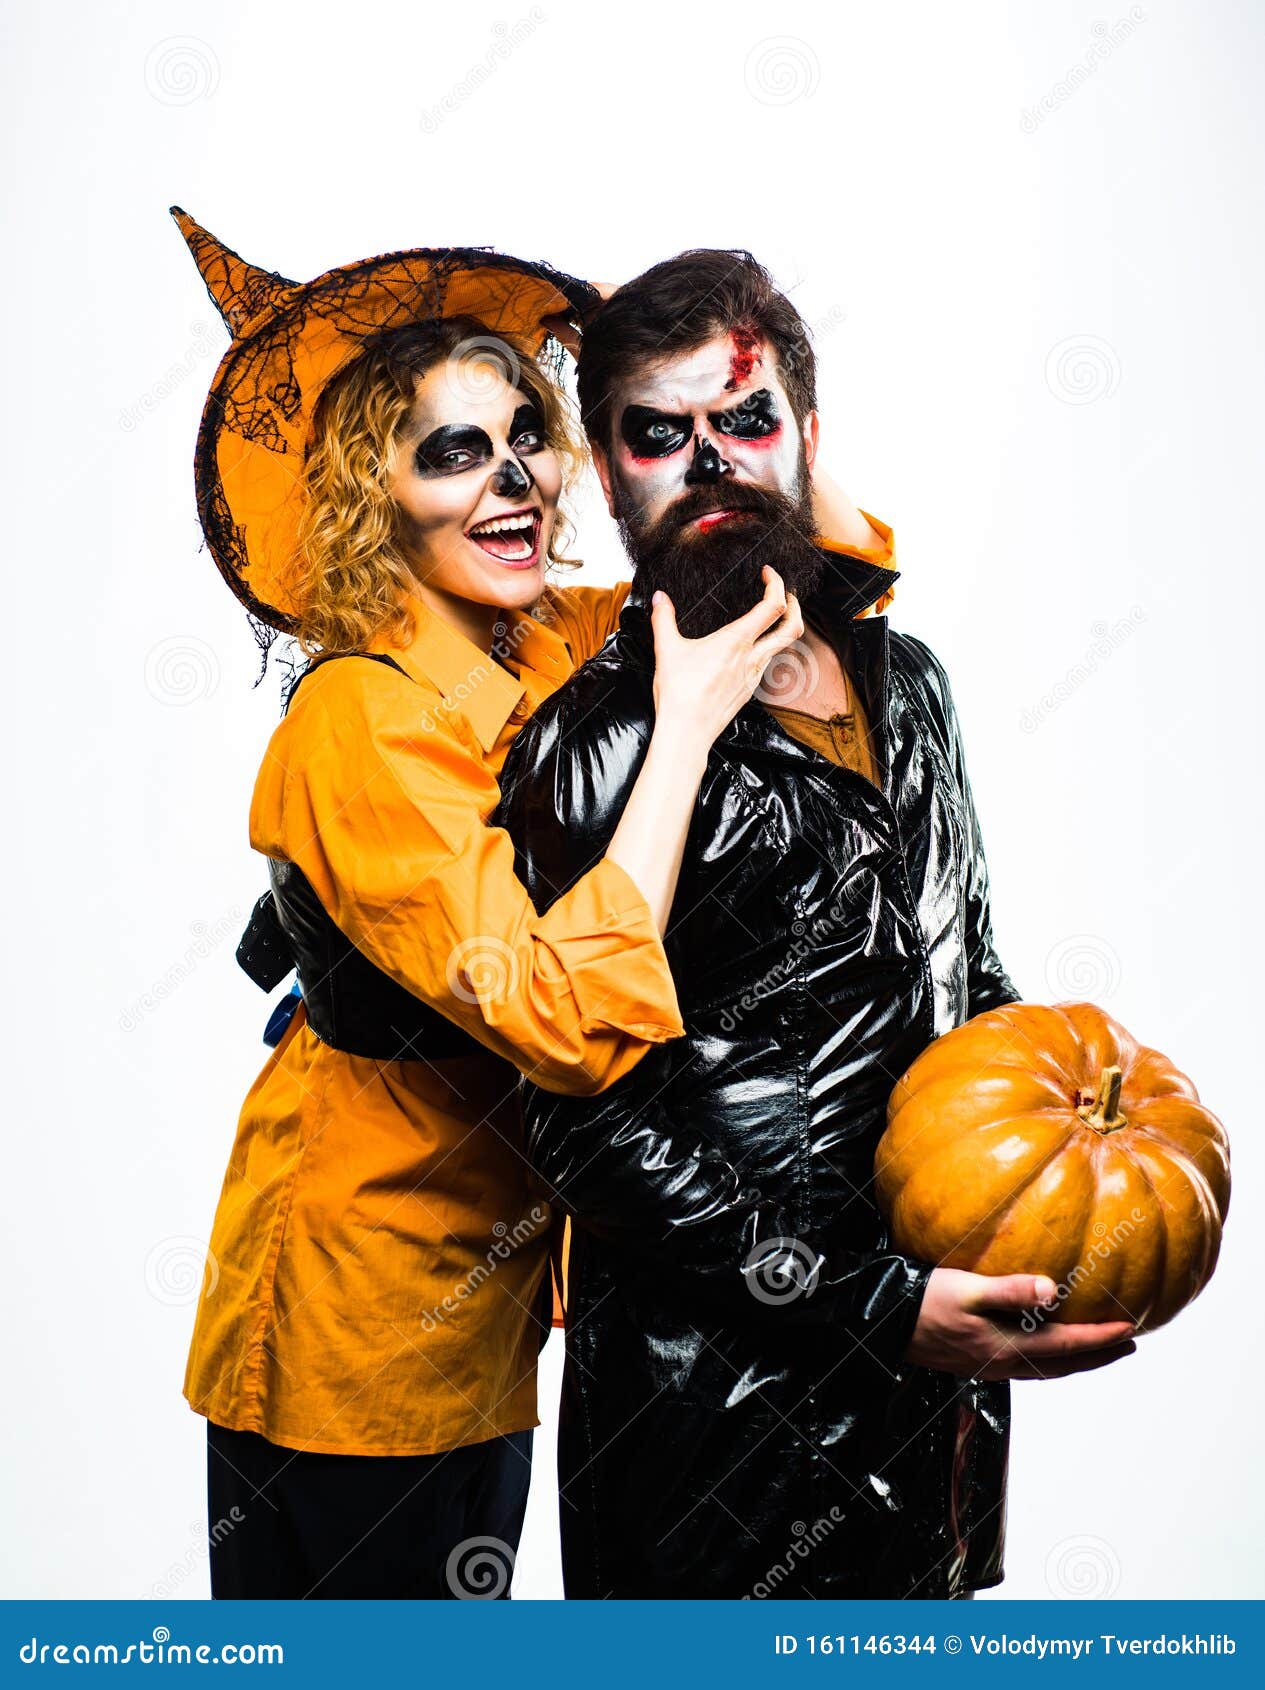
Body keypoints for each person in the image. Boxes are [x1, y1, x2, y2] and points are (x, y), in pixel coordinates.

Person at [170, 211, 888, 1598]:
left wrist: (675, 381)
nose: (511, 482)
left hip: (494, 1309)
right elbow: (561, 1017)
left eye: (527, 437)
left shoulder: (549, 634)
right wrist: (678, 732)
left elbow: (813, 561)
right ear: (373, 494)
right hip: (362, 1333)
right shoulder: (358, 724)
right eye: (452, 452)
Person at [495, 249, 1139, 1600]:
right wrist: (867, 1302)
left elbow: (961, 970)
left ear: (806, 438)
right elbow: (580, 1120)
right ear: (609, 478)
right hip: (709, 1451)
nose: (711, 461)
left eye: (743, 420)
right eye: (657, 435)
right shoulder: (595, 750)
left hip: (936, 1425)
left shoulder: (912, 687)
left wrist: (1069, 1148)